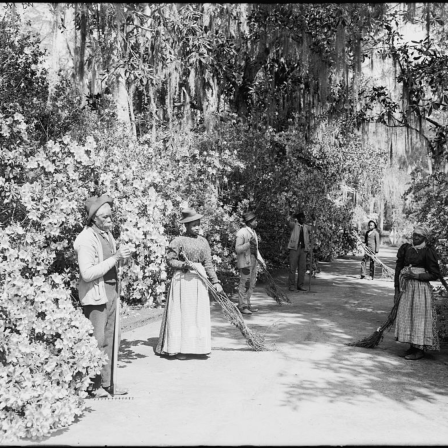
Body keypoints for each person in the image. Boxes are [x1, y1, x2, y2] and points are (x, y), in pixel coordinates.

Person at [74, 194, 132, 398]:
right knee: (96, 341)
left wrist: (122, 258)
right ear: (94, 219)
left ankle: (108, 383)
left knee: (111, 338)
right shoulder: (85, 239)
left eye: (110, 216)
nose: (110, 220)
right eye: (105, 217)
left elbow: (112, 264)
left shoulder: (107, 235)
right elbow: (87, 273)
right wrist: (116, 258)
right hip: (95, 295)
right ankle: (92, 385)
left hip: (111, 292)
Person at [155, 208, 223, 360]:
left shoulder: (203, 241)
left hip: (199, 281)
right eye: (194, 225)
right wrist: (184, 265)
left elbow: (208, 264)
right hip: (183, 281)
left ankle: (198, 347)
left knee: (197, 313)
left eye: (198, 224)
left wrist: (216, 281)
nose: (197, 227)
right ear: (186, 226)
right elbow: (170, 260)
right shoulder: (178, 241)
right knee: (183, 313)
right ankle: (180, 348)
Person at [394, 225, 441, 360]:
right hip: (407, 288)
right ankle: (412, 347)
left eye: (419, 236)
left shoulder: (427, 251)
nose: (415, 237)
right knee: (408, 316)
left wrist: (416, 276)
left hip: (420, 289)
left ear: (424, 238)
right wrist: (397, 288)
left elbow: (435, 274)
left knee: (419, 317)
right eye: (414, 234)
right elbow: (398, 268)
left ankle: (419, 350)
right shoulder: (406, 249)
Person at [235, 211, 266, 315]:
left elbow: (256, 249)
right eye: (254, 220)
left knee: (252, 283)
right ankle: (242, 306)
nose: (256, 222)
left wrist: (261, 261)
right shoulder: (241, 232)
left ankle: (247, 304)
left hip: (253, 260)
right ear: (249, 222)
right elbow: (238, 249)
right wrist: (248, 244)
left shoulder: (253, 232)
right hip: (245, 261)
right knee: (244, 283)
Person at [287, 211, 314, 291]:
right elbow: (288, 222)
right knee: (293, 267)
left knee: (302, 268)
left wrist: (314, 220)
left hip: (303, 249)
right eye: (301, 217)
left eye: (303, 217)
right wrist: (290, 215)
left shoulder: (306, 227)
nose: (303, 219)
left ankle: (300, 285)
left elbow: (314, 229)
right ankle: (291, 285)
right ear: (298, 219)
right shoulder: (294, 225)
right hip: (294, 248)